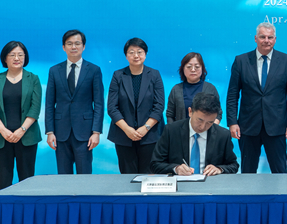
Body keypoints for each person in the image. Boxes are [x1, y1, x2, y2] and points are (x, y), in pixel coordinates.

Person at [227, 22, 287, 173]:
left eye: (270, 37)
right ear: (255, 38)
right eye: (262, 37)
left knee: (280, 173)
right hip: (248, 127)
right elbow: (233, 95)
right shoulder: (241, 61)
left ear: (275, 39)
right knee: (248, 173)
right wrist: (232, 122)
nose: (266, 40)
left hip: (277, 127)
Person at [44, 30, 104, 174]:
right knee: (64, 176)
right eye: (69, 44)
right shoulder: (54, 70)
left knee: (84, 175)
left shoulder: (94, 70)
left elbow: (99, 104)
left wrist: (96, 132)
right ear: (63, 47)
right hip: (61, 132)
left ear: (84, 46)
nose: (73, 47)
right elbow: (49, 104)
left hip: (85, 132)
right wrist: (50, 132)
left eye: (77, 43)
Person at [0, 41, 42, 190]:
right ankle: (4, 207)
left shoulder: (33, 79)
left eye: (20, 55)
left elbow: (35, 108)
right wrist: (3, 131)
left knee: (27, 181)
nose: (17, 58)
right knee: (3, 181)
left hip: (27, 137)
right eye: (12, 55)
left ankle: (27, 207)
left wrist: (21, 130)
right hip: (2, 138)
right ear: (5, 58)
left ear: (25, 57)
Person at [106, 38, 165, 174]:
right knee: (127, 176)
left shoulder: (154, 74)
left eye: (140, 52)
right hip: (123, 135)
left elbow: (159, 105)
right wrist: (127, 129)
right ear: (126, 55)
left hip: (150, 135)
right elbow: (112, 107)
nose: (136, 55)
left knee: (148, 175)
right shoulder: (118, 75)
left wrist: (146, 128)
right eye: (131, 52)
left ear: (145, 54)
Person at [151, 91, 239, 175]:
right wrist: (176, 169)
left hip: (210, 183)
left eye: (210, 122)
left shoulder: (223, 135)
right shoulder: (171, 131)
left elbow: (233, 165)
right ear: (190, 112)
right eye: (200, 120)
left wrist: (219, 169)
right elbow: (155, 164)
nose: (203, 127)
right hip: (181, 183)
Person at [166, 52, 221, 125]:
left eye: (197, 67)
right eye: (189, 67)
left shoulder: (210, 88)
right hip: (180, 131)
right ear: (183, 69)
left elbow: (218, 113)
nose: (193, 70)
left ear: (202, 69)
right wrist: (173, 130)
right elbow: (170, 115)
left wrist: (209, 128)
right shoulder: (176, 89)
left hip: (205, 131)